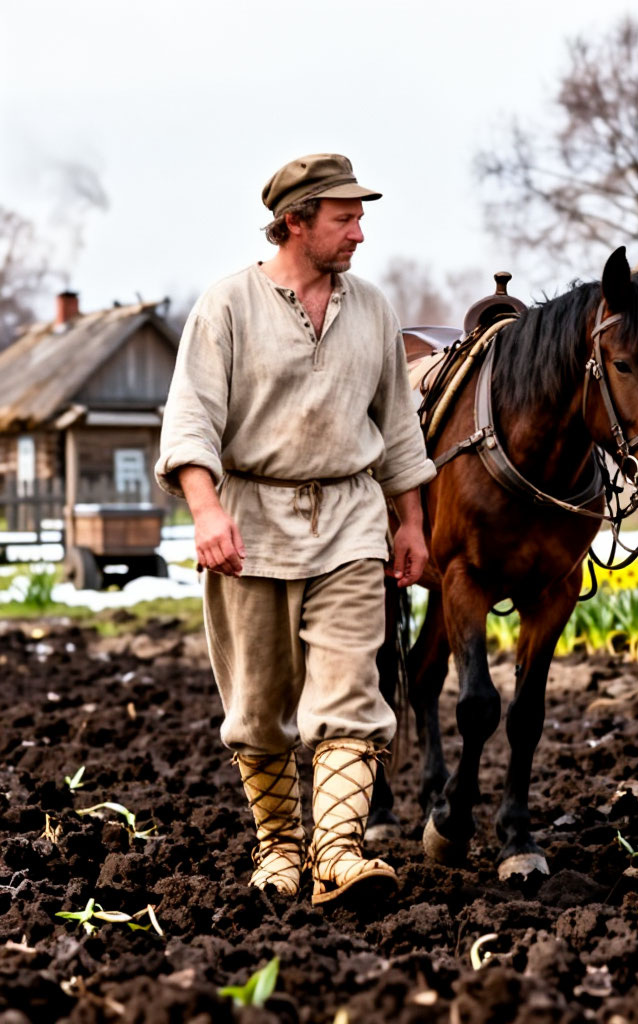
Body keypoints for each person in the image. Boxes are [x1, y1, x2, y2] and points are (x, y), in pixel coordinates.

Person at [155, 153, 436, 906]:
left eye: (360, 217)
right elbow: (190, 421)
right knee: (258, 703)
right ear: (295, 222)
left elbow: (398, 427)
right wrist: (206, 509)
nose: (360, 233)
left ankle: (338, 856)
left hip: (349, 522)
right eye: (345, 219)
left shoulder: (372, 309)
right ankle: (279, 847)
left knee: (351, 694)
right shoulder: (227, 306)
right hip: (252, 524)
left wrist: (409, 522)